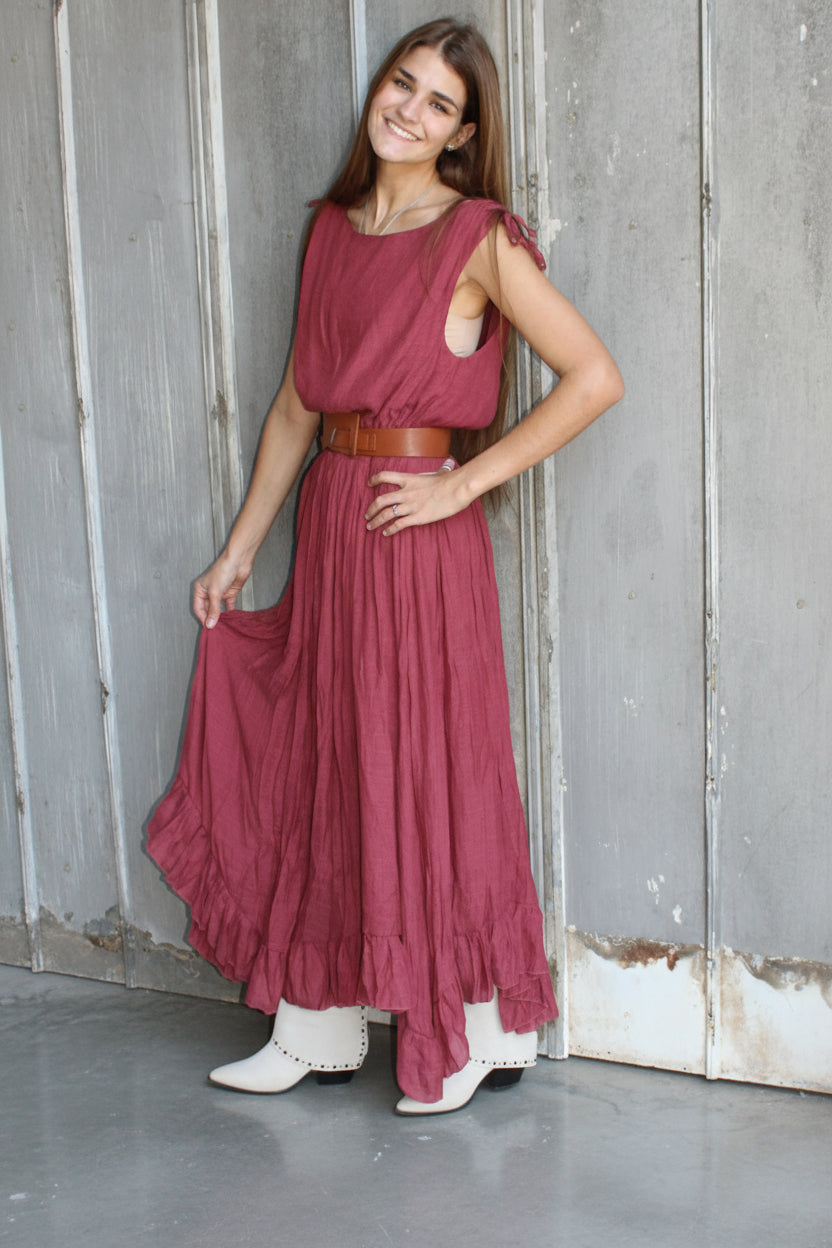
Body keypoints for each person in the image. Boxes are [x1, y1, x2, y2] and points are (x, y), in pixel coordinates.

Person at [147, 17, 623, 1116]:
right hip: (331, 531)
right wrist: (240, 546)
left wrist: (462, 483)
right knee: (328, 760)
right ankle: (315, 1024)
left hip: (418, 543)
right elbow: (295, 407)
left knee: (427, 768)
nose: (407, 107)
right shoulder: (326, 230)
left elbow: (594, 376)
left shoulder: (475, 235)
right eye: (400, 83)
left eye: (438, 103)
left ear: (462, 136)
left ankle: (475, 1027)